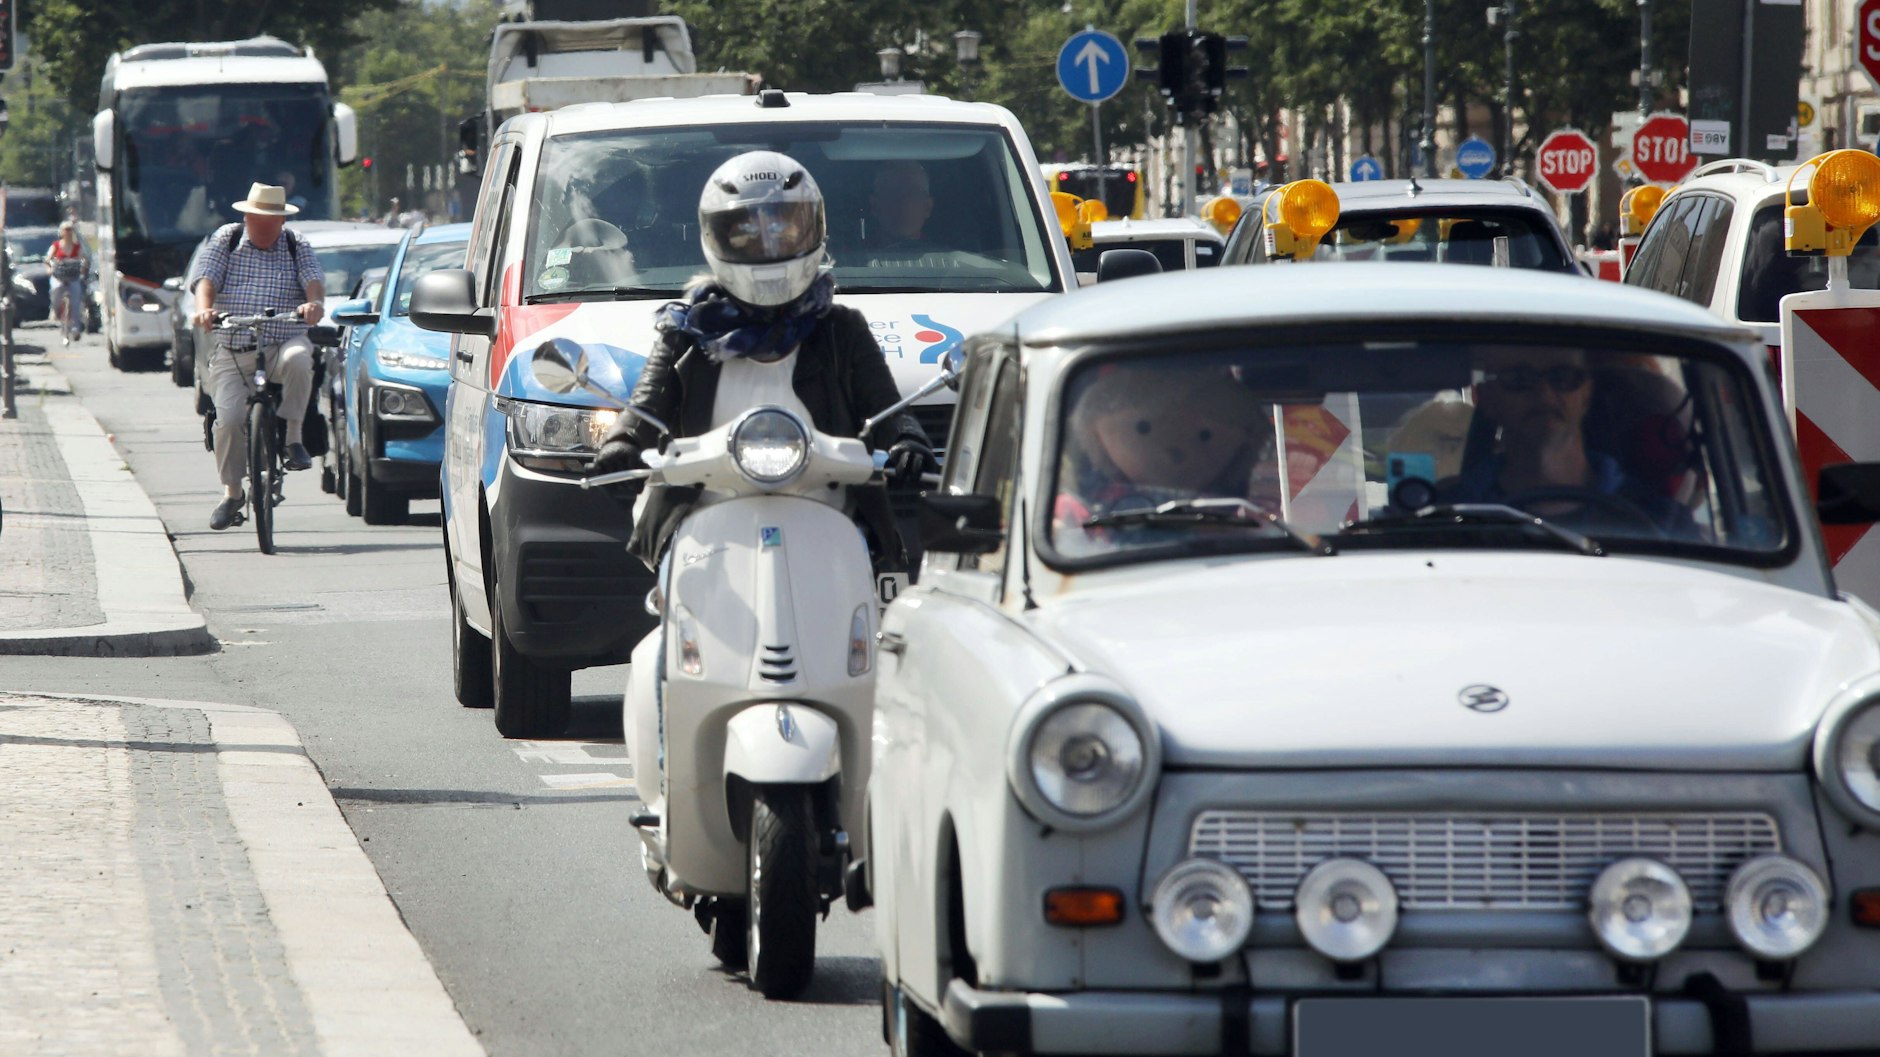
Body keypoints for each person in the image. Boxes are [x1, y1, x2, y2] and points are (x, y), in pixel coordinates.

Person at [591, 150, 935, 544]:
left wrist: (909, 439)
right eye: (745, 232)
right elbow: (645, 407)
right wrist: (621, 442)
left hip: (830, 524)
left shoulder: (841, 329)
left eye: (785, 228)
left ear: (814, 229)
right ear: (714, 236)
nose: (767, 244)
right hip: (704, 528)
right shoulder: (687, 332)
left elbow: (886, 407)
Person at [188, 182, 325, 531]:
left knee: (299, 358)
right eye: (258, 220)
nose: (264, 227)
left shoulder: (296, 244)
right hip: (234, 347)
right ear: (247, 216)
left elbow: (313, 279)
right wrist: (204, 311)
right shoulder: (227, 239)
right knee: (229, 419)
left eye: (271, 221)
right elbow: (206, 280)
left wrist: (314, 305)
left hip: (281, 341)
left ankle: (293, 438)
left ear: (281, 221)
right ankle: (232, 493)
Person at [1442, 346, 1691, 534]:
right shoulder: (1444, 517)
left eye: (1563, 377)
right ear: (1487, 398)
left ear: (1586, 393)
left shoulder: (1660, 520)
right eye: (1519, 379)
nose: (1544, 394)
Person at [1051, 362, 1273, 556]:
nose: (1173, 452)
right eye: (1143, 429)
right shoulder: (1083, 511)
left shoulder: (1238, 512)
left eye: (1204, 436)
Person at [864, 159, 936, 253]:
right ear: (875, 206)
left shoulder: (954, 262)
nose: (903, 203)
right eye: (891, 193)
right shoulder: (848, 261)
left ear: (927, 207)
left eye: (913, 194)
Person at [46, 222, 89, 346]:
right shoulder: (56, 245)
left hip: (73, 276)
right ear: (61, 232)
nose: (68, 232)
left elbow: (84, 259)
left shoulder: (77, 247)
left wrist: (83, 267)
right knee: (56, 290)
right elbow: (48, 259)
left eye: (70, 230)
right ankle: (55, 310)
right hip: (59, 276)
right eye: (66, 230)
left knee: (75, 300)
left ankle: (75, 327)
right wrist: (50, 268)